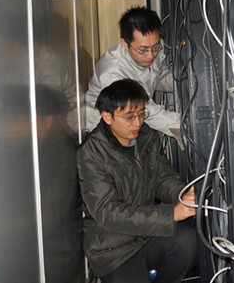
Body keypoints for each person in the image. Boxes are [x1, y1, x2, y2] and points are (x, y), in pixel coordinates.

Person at [77, 79, 197, 283]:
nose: (138, 123)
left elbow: (162, 178)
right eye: (129, 117)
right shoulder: (91, 154)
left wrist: (184, 195)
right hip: (114, 250)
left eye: (141, 114)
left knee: (187, 242)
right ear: (107, 117)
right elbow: (109, 214)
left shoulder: (145, 137)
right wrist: (171, 214)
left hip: (146, 235)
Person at [85, 6, 180, 136]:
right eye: (143, 50)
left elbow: (158, 75)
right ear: (125, 43)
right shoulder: (113, 73)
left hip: (132, 122)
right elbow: (142, 109)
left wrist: (183, 84)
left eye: (155, 48)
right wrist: (183, 126)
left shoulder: (152, 44)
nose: (151, 55)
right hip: (106, 132)